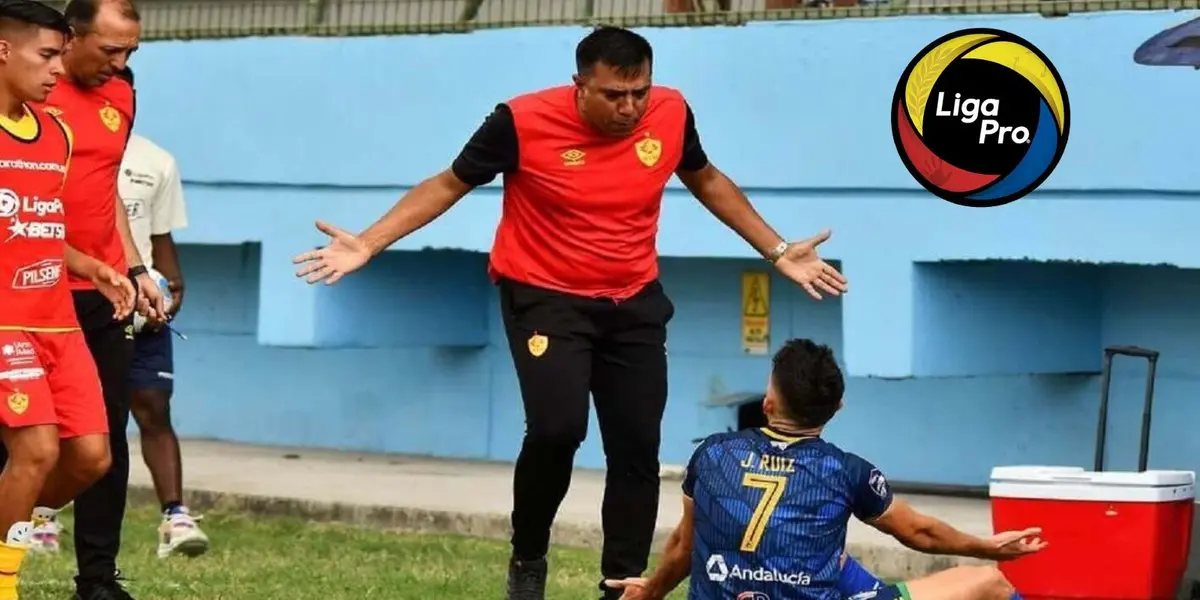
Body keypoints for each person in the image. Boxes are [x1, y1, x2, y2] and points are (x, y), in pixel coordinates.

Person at [293, 25, 848, 600]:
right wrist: (369, 242)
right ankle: (528, 557)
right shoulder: (520, 121)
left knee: (636, 443)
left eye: (640, 93)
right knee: (558, 429)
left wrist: (777, 250)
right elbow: (447, 184)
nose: (630, 108)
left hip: (632, 299)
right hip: (544, 296)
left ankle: (622, 587)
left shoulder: (672, 111)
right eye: (614, 95)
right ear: (579, 85)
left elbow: (704, 177)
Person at [603, 338, 1046, 600]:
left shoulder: (713, 454)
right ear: (838, 408)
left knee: (831, 555)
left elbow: (684, 543)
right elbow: (920, 534)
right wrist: (990, 549)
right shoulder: (845, 471)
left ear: (768, 404)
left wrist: (652, 592)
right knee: (988, 584)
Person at [17, 1, 162, 598]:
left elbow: (104, 191)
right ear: (69, 37)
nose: (120, 63)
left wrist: (133, 266)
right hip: (26, 293)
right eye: (109, 50)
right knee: (27, 441)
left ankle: (97, 579)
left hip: (99, 291)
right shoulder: (28, 86)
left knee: (102, 441)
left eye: (130, 52)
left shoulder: (121, 94)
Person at [118, 129, 209, 558]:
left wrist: (172, 285)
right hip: (85, 302)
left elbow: (160, 233)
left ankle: (175, 516)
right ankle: (41, 517)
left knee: (153, 405)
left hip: (145, 306)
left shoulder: (156, 161)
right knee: (84, 420)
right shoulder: (64, 143)